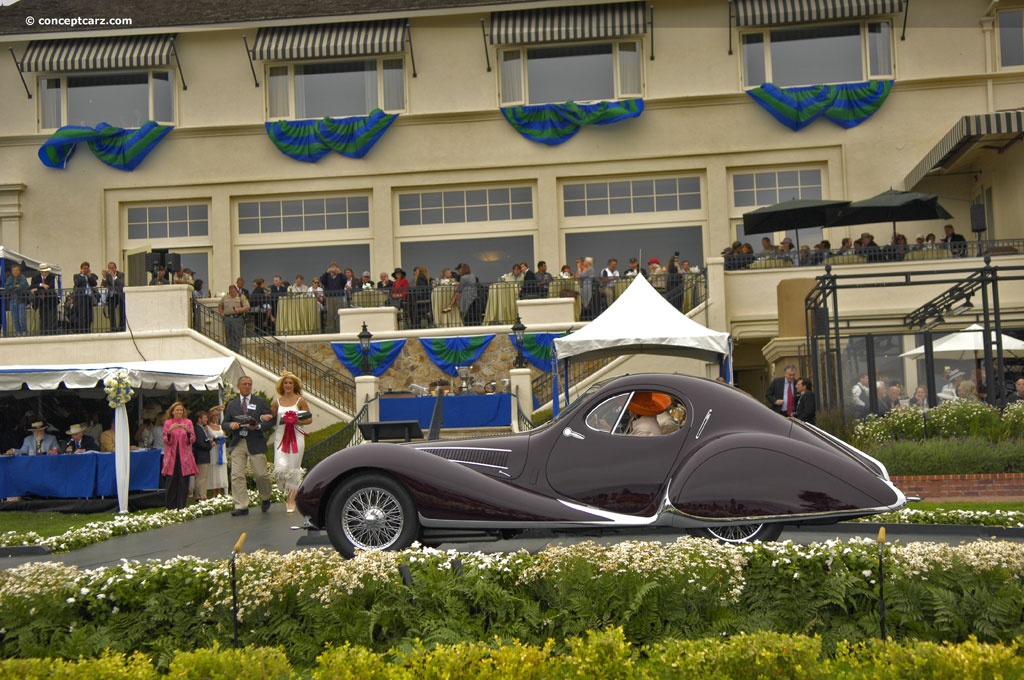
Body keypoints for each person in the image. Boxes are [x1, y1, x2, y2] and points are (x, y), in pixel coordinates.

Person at [223, 375, 274, 515]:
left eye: (249, 384)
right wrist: (230, 425)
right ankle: (241, 506)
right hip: (238, 442)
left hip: (255, 441)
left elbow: (270, 420)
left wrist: (258, 426)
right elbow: (224, 423)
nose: (247, 386)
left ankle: (265, 497)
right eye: (244, 384)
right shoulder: (232, 404)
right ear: (238, 386)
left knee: (261, 474)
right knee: (237, 475)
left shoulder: (260, 402)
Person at [271, 371, 312, 512]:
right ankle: (284, 488)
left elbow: (309, 419)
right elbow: (271, 419)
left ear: (294, 385)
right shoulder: (276, 402)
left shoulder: (300, 401)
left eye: (290, 383)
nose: (288, 385)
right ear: (281, 386)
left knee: (294, 468)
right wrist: (265, 417)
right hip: (280, 438)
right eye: (285, 383)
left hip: (296, 437)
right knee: (280, 467)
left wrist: (297, 420)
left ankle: (291, 499)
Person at [161, 402, 197, 510]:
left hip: (184, 457)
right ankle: (170, 507)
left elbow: (192, 440)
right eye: (177, 410)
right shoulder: (168, 423)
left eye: (181, 410)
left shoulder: (188, 422)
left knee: (183, 482)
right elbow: (166, 441)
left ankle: (181, 506)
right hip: (171, 457)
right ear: (172, 412)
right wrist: (170, 431)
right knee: (171, 481)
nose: (179, 412)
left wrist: (187, 432)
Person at [218, 284, 249, 352]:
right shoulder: (225, 297)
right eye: (230, 291)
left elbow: (247, 307)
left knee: (236, 335)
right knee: (228, 335)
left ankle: (236, 351)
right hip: (227, 318)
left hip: (237, 318)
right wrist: (221, 312)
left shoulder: (241, 297)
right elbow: (220, 306)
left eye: (233, 291)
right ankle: (229, 350)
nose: (232, 292)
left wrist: (239, 310)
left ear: (236, 290)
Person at [205, 406, 228, 497]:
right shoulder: (207, 427)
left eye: (217, 416)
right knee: (213, 471)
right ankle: (213, 493)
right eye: (214, 415)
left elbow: (225, 436)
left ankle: (219, 492)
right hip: (213, 451)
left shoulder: (220, 427)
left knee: (220, 471)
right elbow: (206, 438)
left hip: (221, 451)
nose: (215, 417)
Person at [30, 263, 59, 335]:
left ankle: (52, 333)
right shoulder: (35, 277)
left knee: (52, 318)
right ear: (41, 272)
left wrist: (37, 289)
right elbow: (31, 287)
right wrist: (41, 285)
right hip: (41, 301)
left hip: (51, 300)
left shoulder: (52, 277)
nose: (47, 273)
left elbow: (50, 287)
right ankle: (43, 333)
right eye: (45, 271)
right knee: (43, 318)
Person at [191, 410, 212, 502]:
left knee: (204, 476)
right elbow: (198, 443)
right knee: (201, 477)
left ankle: (203, 494)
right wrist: (209, 446)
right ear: (199, 419)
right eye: (205, 417)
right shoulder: (197, 429)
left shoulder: (202, 429)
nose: (207, 419)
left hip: (204, 455)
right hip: (201, 455)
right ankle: (199, 495)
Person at [71, 261, 98, 333]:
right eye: (84, 268)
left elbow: (94, 283)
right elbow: (77, 283)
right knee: (81, 315)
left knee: (89, 315)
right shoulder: (77, 276)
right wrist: (82, 274)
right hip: (81, 298)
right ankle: (82, 331)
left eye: (87, 268)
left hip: (88, 298)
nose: (86, 270)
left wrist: (89, 277)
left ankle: (88, 330)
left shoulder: (89, 276)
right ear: (81, 269)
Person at [4, 263, 30, 336]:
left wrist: (13, 288)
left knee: (22, 317)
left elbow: (23, 287)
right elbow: (6, 288)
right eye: (13, 270)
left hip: (21, 300)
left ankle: (24, 331)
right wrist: (15, 287)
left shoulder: (22, 278)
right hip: (12, 300)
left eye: (16, 270)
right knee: (15, 318)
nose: (15, 272)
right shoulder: (10, 278)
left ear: (19, 271)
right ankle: (18, 332)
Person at [101, 261, 126, 332]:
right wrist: (104, 277)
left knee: (122, 311)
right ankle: (113, 328)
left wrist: (114, 276)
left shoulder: (121, 274)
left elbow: (121, 283)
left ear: (115, 268)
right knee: (111, 311)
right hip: (112, 295)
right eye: (109, 268)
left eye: (112, 268)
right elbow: (104, 284)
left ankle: (121, 327)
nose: (111, 269)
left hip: (119, 295)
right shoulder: (108, 275)